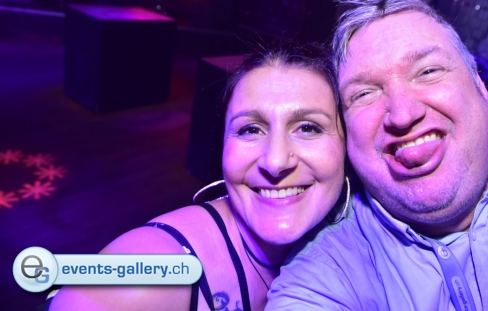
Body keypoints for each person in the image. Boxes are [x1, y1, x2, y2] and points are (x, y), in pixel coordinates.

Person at [267, 0, 488, 310]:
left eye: (428, 72)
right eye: (364, 94)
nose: (402, 114)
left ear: (482, 91)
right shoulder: (326, 271)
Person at [48, 43, 349, 310]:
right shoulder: (151, 271)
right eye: (250, 129)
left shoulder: (355, 241)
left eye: (308, 127)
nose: (275, 161)